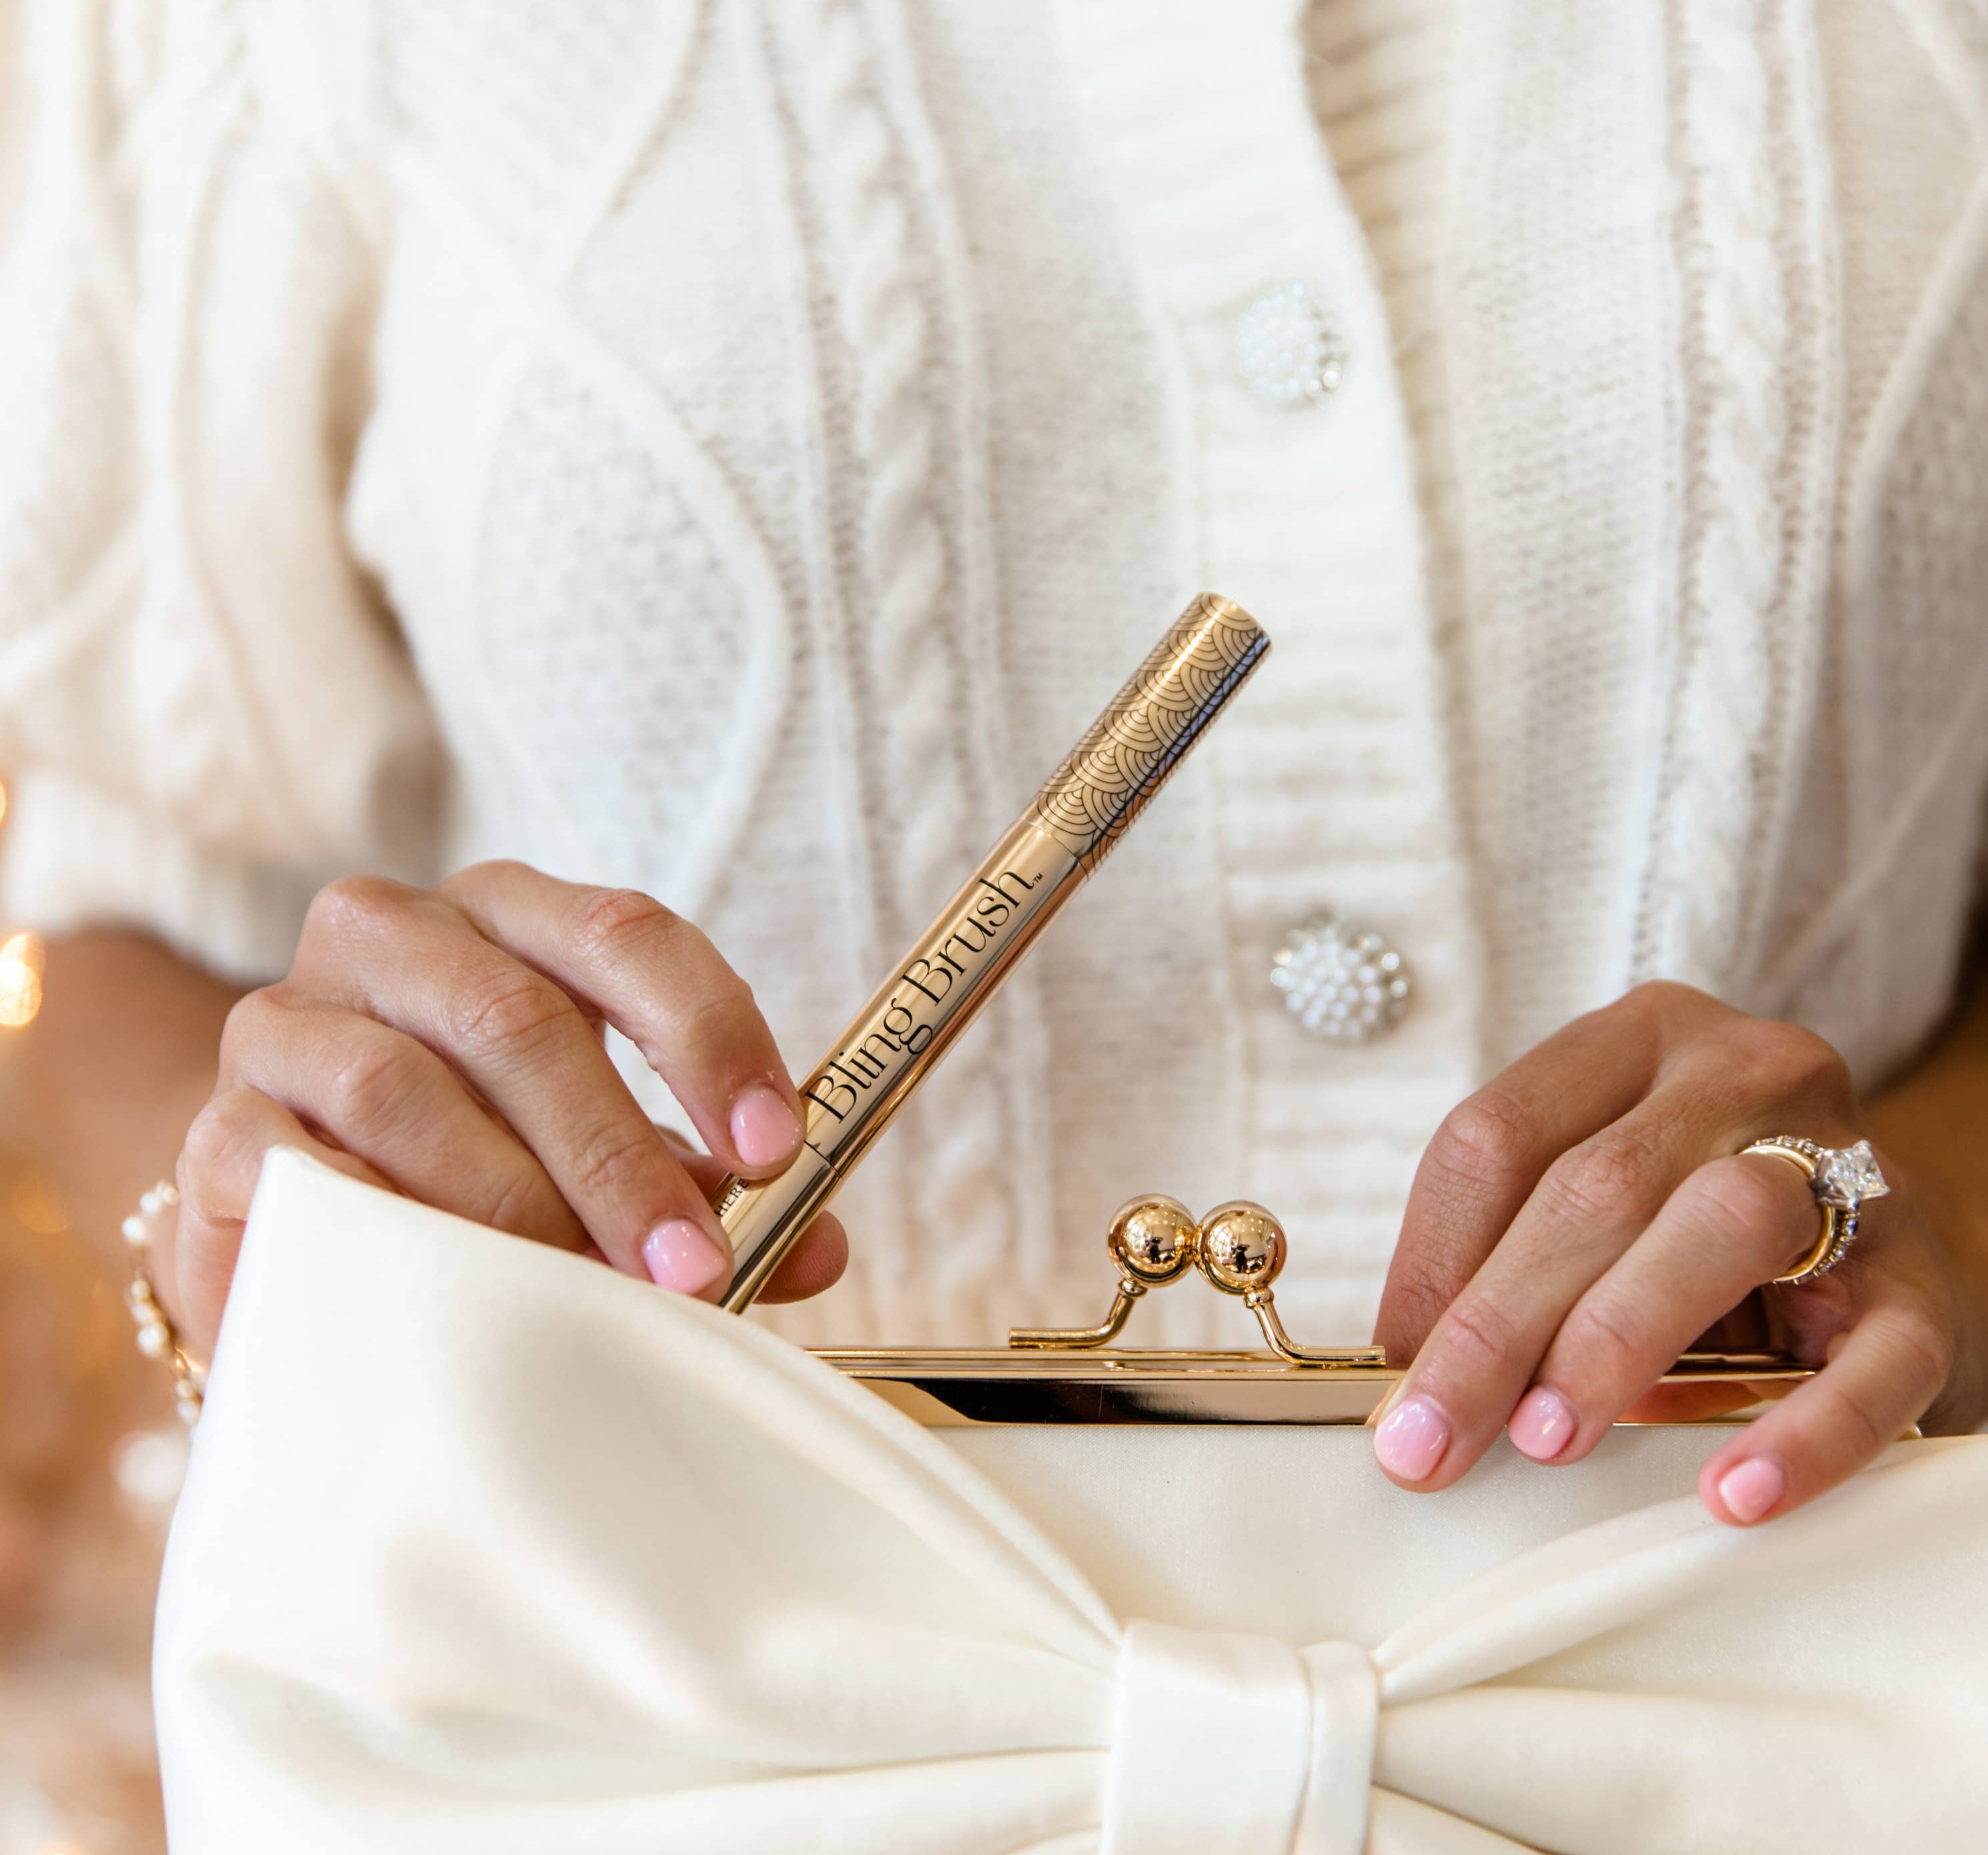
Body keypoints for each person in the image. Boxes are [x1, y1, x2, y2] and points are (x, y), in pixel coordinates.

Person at [2, 0, 1983, 1532]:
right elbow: (123, 904)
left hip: (1780, 1772)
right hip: (664, 1795)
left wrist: (1931, 1216)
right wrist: (290, 1199)